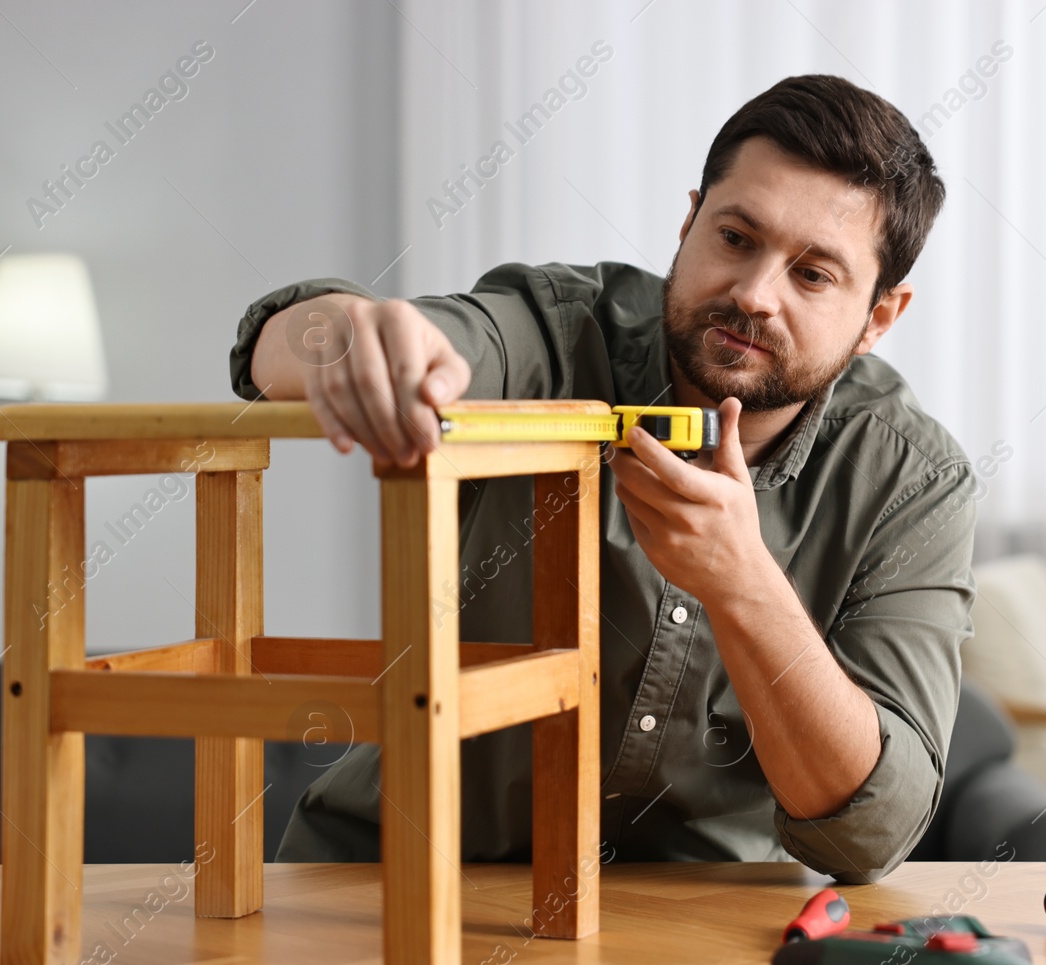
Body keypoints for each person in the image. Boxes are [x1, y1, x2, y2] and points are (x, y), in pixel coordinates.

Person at [228, 73, 975, 882]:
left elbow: (873, 831)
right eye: (734, 237)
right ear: (689, 222)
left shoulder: (913, 480)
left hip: (689, 929)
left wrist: (743, 584)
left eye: (813, 274)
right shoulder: (558, 332)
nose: (754, 294)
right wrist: (350, 335)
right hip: (394, 882)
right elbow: (321, 346)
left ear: (879, 317)